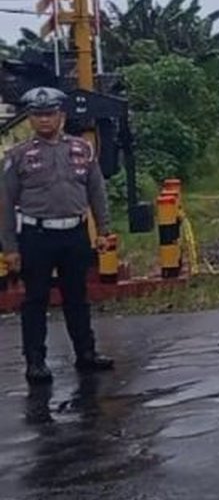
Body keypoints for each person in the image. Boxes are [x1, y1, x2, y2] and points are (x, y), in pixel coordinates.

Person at [1, 87, 114, 384]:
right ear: (30, 120)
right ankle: (35, 362)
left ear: (61, 116)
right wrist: (9, 248)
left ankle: (86, 354)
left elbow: (97, 193)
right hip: (36, 236)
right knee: (35, 300)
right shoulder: (17, 156)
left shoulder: (82, 150)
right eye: (38, 115)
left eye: (50, 114)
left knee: (77, 298)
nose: (44, 120)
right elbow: (5, 205)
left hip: (74, 234)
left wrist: (104, 230)